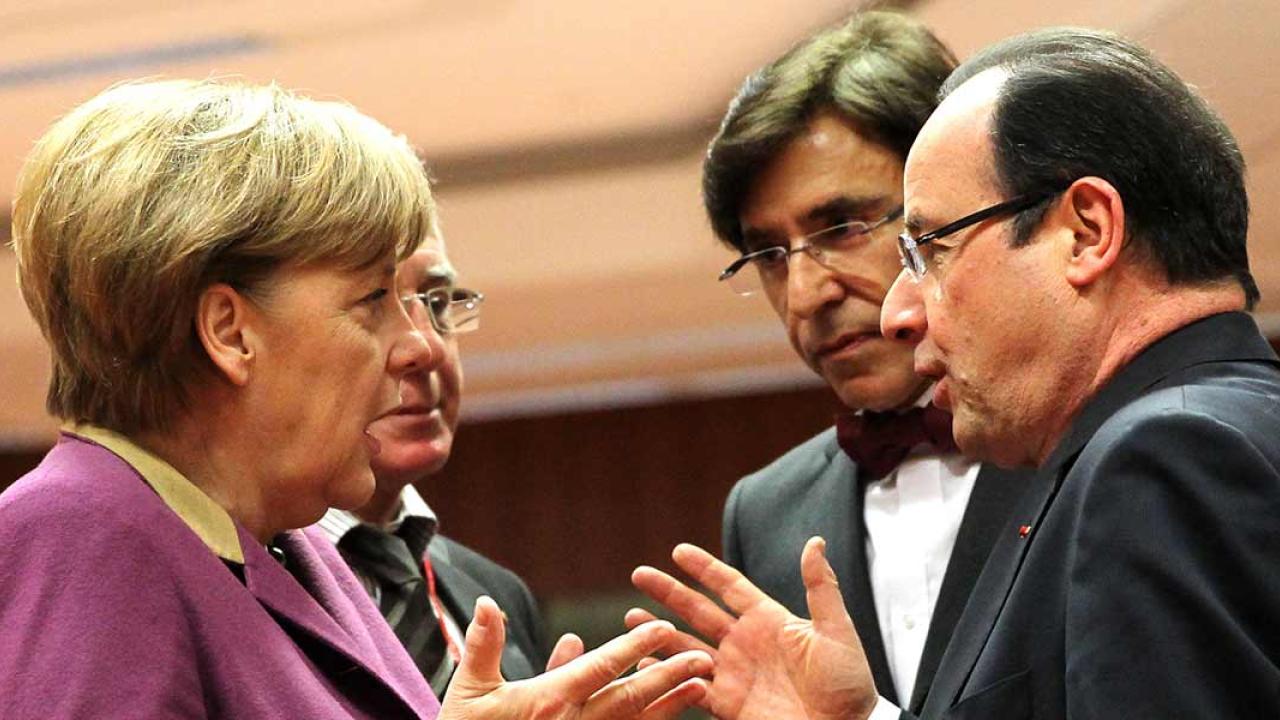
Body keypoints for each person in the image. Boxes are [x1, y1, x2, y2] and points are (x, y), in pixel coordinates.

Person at [0, 78, 710, 720]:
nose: (420, 345)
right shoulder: (81, 540)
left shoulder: (293, 547)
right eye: (373, 298)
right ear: (230, 331)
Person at [632, 26, 1280, 720]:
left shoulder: (1165, 453)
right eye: (766, 256)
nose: (898, 310)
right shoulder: (1213, 425)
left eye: (928, 247)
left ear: (1086, 231)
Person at [653, 11, 1025, 713]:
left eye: (844, 228)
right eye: (767, 255)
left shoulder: (1088, 440)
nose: (804, 294)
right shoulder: (764, 513)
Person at [319, 231, 548, 698]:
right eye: (375, 303)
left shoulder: (497, 592)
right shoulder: (235, 578)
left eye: (438, 303)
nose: (428, 347)